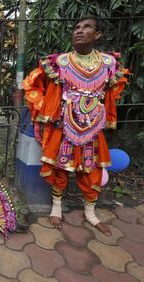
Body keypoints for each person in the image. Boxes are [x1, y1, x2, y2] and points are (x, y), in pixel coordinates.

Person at [22, 16, 128, 236]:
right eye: (76, 28)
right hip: (65, 127)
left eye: (86, 27)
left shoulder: (109, 65)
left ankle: (90, 213)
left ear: (97, 35)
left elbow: (113, 92)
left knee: (92, 170)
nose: (79, 31)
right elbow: (34, 84)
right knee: (61, 167)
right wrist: (46, 111)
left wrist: (98, 111)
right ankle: (56, 208)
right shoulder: (59, 63)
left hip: (92, 128)